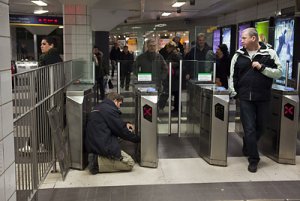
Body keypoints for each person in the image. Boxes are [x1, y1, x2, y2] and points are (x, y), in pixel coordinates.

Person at [228, 28, 282, 173]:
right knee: (249, 128)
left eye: (244, 38)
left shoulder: (269, 53)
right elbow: (232, 75)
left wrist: (262, 67)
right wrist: (235, 93)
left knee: (262, 127)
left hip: (263, 97)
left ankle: (248, 143)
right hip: (245, 98)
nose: (241, 40)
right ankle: (254, 159)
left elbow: (279, 73)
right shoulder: (238, 55)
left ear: (253, 38)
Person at [85, 92, 140, 174]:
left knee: (119, 138)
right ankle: (96, 163)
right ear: (115, 100)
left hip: (95, 143)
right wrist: (138, 138)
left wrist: (125, 124)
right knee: (129, 163)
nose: (119, 107)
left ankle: (99, 157)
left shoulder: (100, 107)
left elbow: (113, 123)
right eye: (119, 104)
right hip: (101, 145)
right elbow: (121, 131)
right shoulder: (110, 110)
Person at [157, 41, 182, 113]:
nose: (166, 49)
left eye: (167, 47)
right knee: (174, 93)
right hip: (173, 77)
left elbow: (180, 63)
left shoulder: (175, 54)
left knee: (166, 92)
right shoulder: (173, 53)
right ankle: (177, 108)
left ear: (171, 47)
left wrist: (169, 64)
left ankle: (160, 107)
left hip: (173, 77)